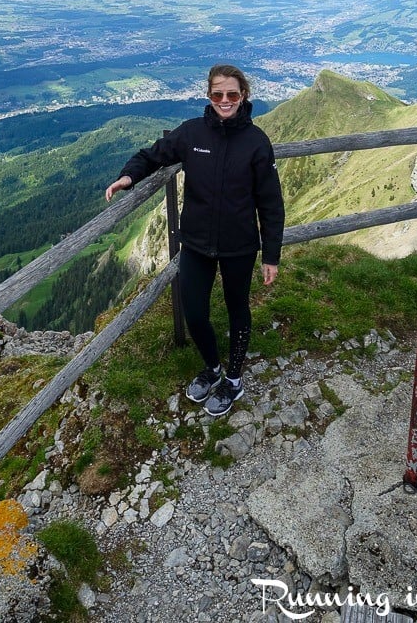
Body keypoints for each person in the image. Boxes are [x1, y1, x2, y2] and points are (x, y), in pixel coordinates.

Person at [105, 64, 285, 416]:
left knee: (237, 310)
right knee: (195, 311)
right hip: (197, 244)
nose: (225, 100)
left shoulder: (256, 143)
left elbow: (271, 204)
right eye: (217, 94)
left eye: (232, 94)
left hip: (239, 245)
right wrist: (128, 176)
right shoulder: (191, 134)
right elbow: (153, 154)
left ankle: (233, 379)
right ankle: (212, 367)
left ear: (243, 95)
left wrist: (271, 255)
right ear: (209, 96)